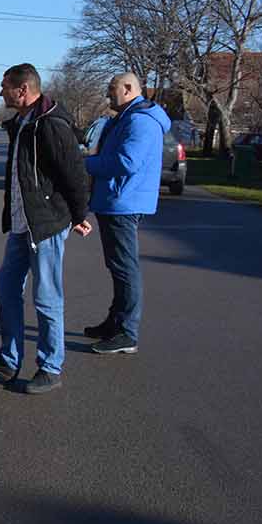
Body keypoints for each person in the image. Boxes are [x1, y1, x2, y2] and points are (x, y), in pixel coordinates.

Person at [0, 63, 92, 395]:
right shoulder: (22, 122)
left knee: (46, 297)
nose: (0, 92)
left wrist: (79, 213)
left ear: (22, 89)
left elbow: (74, 173)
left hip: (46, 224)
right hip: (23, 224)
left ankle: (51, 367)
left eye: (4, 86)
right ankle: (9, 359)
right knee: (6, 287)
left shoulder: (51, 125)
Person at [82, 71, 170, 356]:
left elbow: (126, 162)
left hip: (124, 203)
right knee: (118, 268)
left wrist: (88, 164)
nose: (108, 94)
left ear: (129, 88)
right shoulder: (128, 118)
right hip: (116, 201)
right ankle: (114, 323)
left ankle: (127, 333)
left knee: (125, 269)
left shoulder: (141, 121)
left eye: (112, 89)